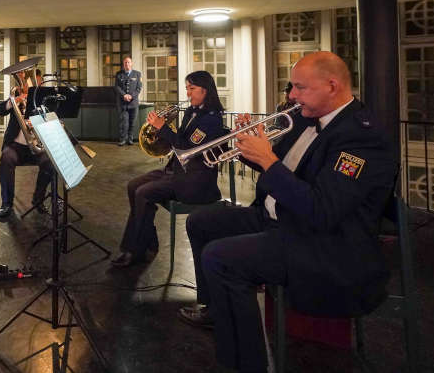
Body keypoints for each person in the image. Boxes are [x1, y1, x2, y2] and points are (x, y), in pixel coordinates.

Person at [179, 52, 397, 373]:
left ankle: (245, 363)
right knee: (202, 222)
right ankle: (217, 308)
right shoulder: (308, 119)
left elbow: (322, 211)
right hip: (281, 218)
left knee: (221, 258)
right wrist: (250, 147)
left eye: (300, 87)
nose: (292, 95)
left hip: (323, 244)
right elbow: (280, 167)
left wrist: (267, 160)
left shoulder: (362, 136)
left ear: (332, 86)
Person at [111, 71, 226, 267]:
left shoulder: (211, 119)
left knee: (143, 193)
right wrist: (158, 131)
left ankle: (134, 250)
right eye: (187, 88)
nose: (188, 94)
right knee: (133, 186)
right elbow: (177, 142)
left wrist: (164, 127)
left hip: (194, 181)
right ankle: (148, 240)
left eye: (192, 89)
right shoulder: (191, 112)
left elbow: (187, 148)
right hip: (177, 170)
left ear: (205, 90)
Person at [0, 70, 54, 219]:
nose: (33, 85)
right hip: (16, 146)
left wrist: (37, 122)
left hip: (37, 145)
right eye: (29, 82)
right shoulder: (16, 97)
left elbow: (52, 120)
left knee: (50, 163)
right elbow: (0, 110)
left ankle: (38, 199)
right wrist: (14, 101)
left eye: (36, 82)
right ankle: (6, 203)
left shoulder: (43, 100)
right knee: (6, 158)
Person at [114, 56, 142, 146]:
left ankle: (130, 139)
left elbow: (139, 88)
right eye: (125, 62)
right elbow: (117, 87)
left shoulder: (137, 74)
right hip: (123, 103)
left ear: (131, 63)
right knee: (123, 122)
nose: (127, 64)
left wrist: (131, 96)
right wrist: (124, 95)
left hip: (133, 103)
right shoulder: (119, 74)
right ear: (123, 64)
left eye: (129, 62)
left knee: (132, 123)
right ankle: (122, 139)